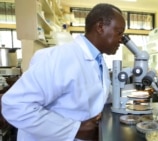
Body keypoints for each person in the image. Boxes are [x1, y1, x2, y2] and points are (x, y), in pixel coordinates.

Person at [1, 3, 125, 141]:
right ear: (100, 27)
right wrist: (74, 129)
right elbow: (15, 105)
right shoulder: (59, 57)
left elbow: (99, 92)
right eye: (119, 32)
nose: (121, 39)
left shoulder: (98, 60)